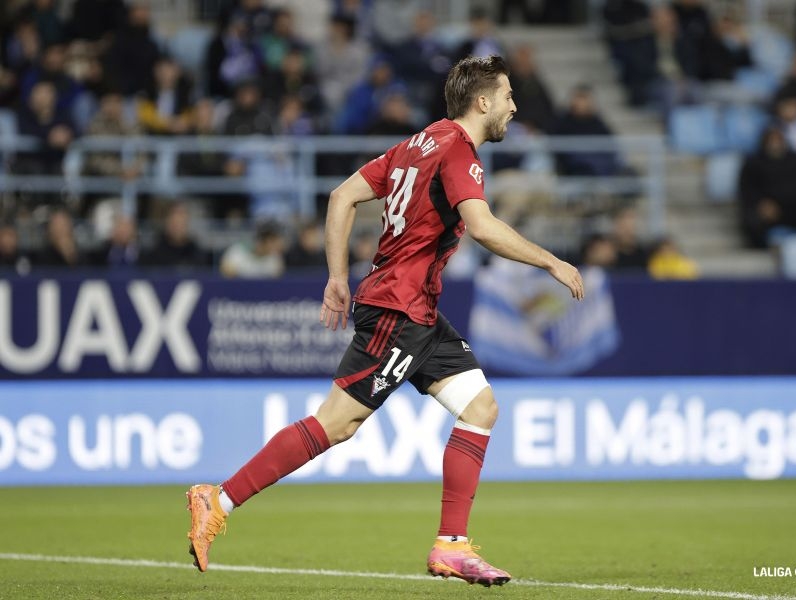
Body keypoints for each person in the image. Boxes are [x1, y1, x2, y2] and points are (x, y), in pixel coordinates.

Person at [185, 55, 584, 586]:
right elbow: (483, 227)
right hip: (399, 310)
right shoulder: (458, 151)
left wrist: (337, 277)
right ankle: (218, 499)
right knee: (337, 423)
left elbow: (342, 196)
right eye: (508, 96)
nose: (514, 106)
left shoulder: (418, 143)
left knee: (481, 407)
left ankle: (451, 545)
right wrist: (552, 262)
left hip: (417, 311)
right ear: (483, 101)